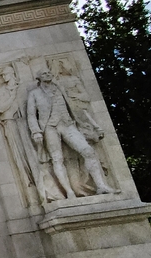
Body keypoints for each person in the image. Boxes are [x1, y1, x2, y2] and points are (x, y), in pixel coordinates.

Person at [27, 68, 114, 198]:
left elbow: (76, 107)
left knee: (88, 151)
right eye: (44, 73)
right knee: (57, 159)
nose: (48, 74)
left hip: (68, 124)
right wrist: (36, 131)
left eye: (49, 72)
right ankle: (69, 191)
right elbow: (31, 115)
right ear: (39, 77)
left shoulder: (60, 88)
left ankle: (101, 186)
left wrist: (91, 124)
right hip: (50, 127)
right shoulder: (34, 94)